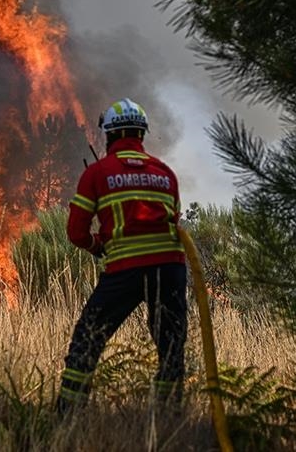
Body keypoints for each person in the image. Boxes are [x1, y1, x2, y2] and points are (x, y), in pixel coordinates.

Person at [57, 98, 187, 415]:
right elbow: (173, 220)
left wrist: (98, 244)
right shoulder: (165, 173)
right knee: (171, 346)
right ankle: (168, 415)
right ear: (141, 135)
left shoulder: (99, 173)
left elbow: (76, 232)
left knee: (88, 338)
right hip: (170, 269)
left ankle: (66, 416)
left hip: (126, 270)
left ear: (110, 135)